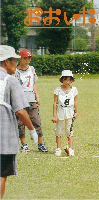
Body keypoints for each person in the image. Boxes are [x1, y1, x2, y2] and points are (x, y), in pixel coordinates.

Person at [0, 45, 38, 199]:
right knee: (1, 173)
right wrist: (32, 130)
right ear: (6, 61)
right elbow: (20, 110)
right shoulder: (10, 81)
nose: (16, 64)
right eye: (14, 60)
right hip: (3, 138)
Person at [14, 49, 47, 153]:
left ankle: (40, 144)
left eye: (29, 58)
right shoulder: (15, 71)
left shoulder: (31, 69)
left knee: (36, 120)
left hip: (31, 98)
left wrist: (37, 96)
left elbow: (33, 84)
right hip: (20, 98)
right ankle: (24, 144)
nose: (27, 60)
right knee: (20, 123)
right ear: (20, 58)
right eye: (25, 58)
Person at [52, 70, 78, 156]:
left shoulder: (74, 90)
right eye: (65, 80)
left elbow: (75, 102)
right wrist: (54, 115)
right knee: (59, 130)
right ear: (62, 80)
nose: (67, 82)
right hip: (60, 111)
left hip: (70, 111)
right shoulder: (58, 90)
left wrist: (76, 112)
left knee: (69, 130)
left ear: (72, 80)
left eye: (69, 80)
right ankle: (58, 149)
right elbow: (55, 103)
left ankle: (70, 148)